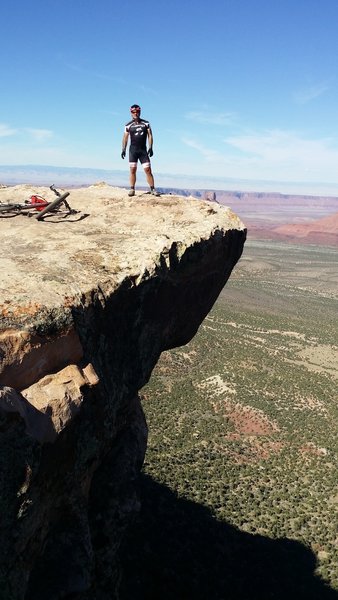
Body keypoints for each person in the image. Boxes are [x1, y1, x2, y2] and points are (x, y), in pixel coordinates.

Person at [121, 104, 160, 197]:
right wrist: (123, 149)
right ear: (131, 113)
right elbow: (125, 138)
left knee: (148, 170)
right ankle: (132, 189)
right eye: (133, 112)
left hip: (143, 151)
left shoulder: (146, 123)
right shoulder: (128, 125)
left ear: (140, 112)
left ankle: (152, 189)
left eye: (137, 112)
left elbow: (150, 135)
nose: (135, 114)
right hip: (133, 151)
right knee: (133, 170)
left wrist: (151, 147)